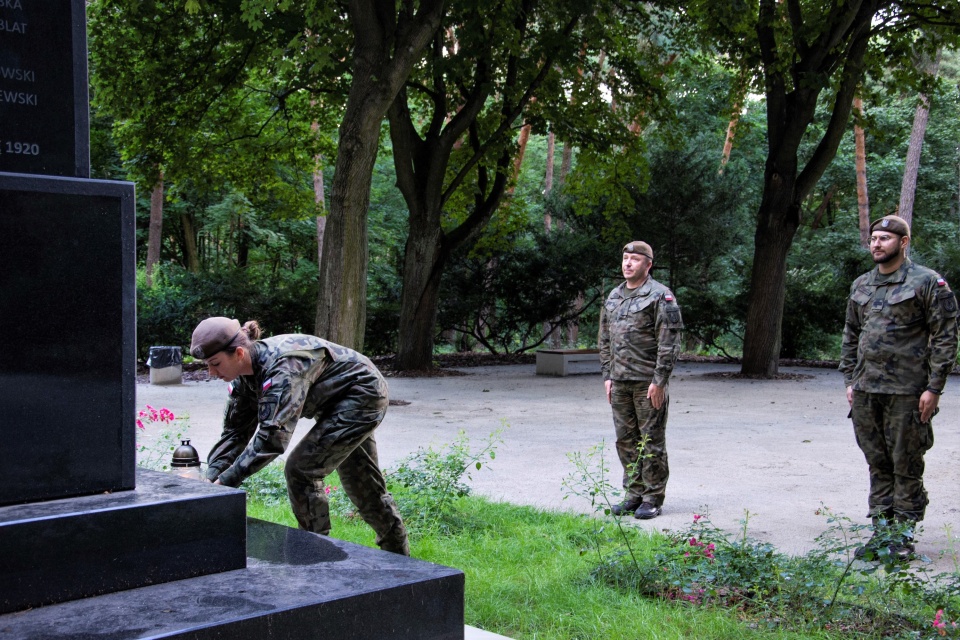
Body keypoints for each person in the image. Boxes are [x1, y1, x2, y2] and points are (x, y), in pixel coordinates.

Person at [190, 317, 410, 555]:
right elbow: (234, 434)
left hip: (362, 395)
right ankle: (400, 558)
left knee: (302, 469)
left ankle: (312, 552)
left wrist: (226, 481)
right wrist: (208, 479)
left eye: (215, 363)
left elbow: (272, 439)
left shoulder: (283, 368)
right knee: (363, 484)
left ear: (239, 353)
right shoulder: (244, 376)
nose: (211, 372)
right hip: (334, 403)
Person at [839, 215, 958, 559]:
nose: (876, 244)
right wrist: (850, 379)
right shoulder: (862, 284)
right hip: (866, 390)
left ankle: (902, 536)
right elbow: (851, 334)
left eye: (885, 239)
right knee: (877, 462)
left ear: (903, 243)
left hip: (908, 390)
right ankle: (881, 532)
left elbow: (946, 337)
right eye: (874, 238)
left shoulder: (927, 283)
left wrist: (933, 387)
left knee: (905, 461)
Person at [598, 241, 683, 519]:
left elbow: (669, 342)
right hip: (620, 382)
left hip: (647, 382)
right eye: (625, 258)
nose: (628, 263)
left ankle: (652, 498)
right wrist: (608, 375)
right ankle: (634, 494)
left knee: (651, 441)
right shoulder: (614, 296)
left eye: (635, 259)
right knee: (626, 440)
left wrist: (659, 381)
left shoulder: (661, 296)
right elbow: (604, 338)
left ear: (648, 264)